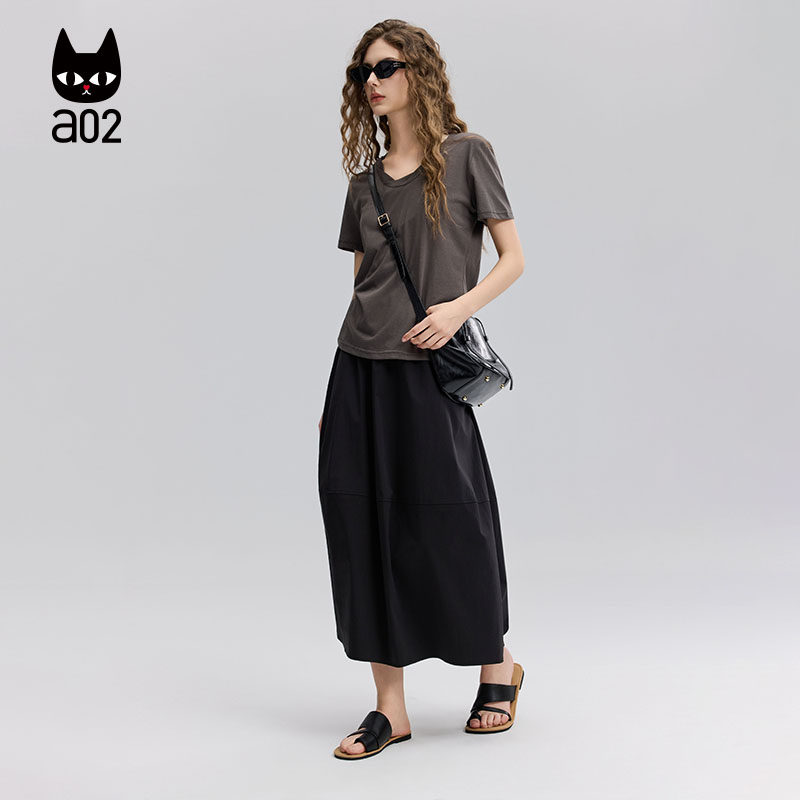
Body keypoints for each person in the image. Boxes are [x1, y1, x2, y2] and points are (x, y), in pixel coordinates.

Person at [318, 19, 526, 760]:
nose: (371, 81)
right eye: (362, 72)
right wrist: (346, 385)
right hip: (360, 369)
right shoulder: (364, 184)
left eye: (386, 67)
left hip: (430, 371)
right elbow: (363, 288)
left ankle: (496, 666)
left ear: (419, 72)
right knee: (365, 529)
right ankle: (390, 708)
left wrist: (456, 310)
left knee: (453, 522)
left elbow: (512, 257)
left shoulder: (467, 156)